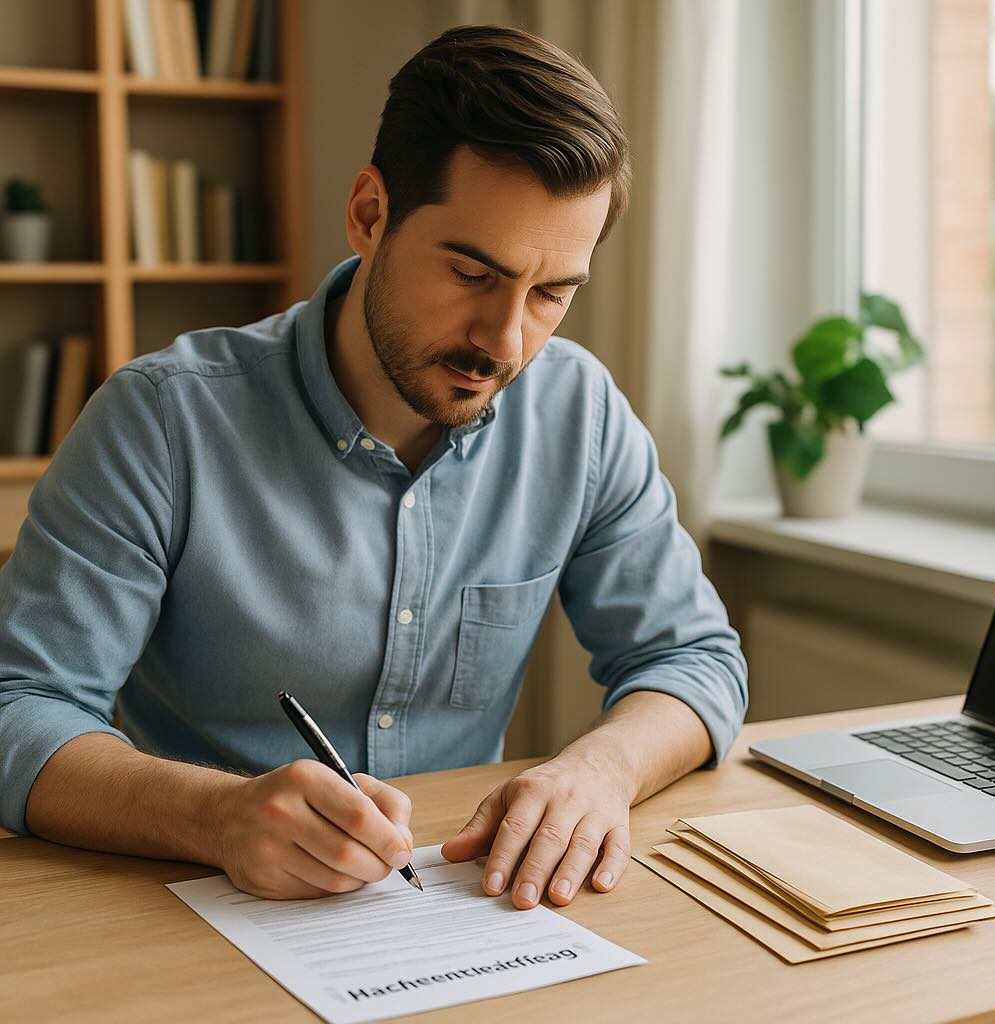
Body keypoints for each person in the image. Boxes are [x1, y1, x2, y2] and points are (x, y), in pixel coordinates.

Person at [0, 25, 746, 911]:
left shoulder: (578, 414)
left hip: (458, 918)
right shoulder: (162, 420)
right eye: (473, 271)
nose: (506, 342)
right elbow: (20, 706)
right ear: (368, 213)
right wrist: (219, 816)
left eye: (552, 295)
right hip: (190, 907)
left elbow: (694, 659)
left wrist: (600, 770)